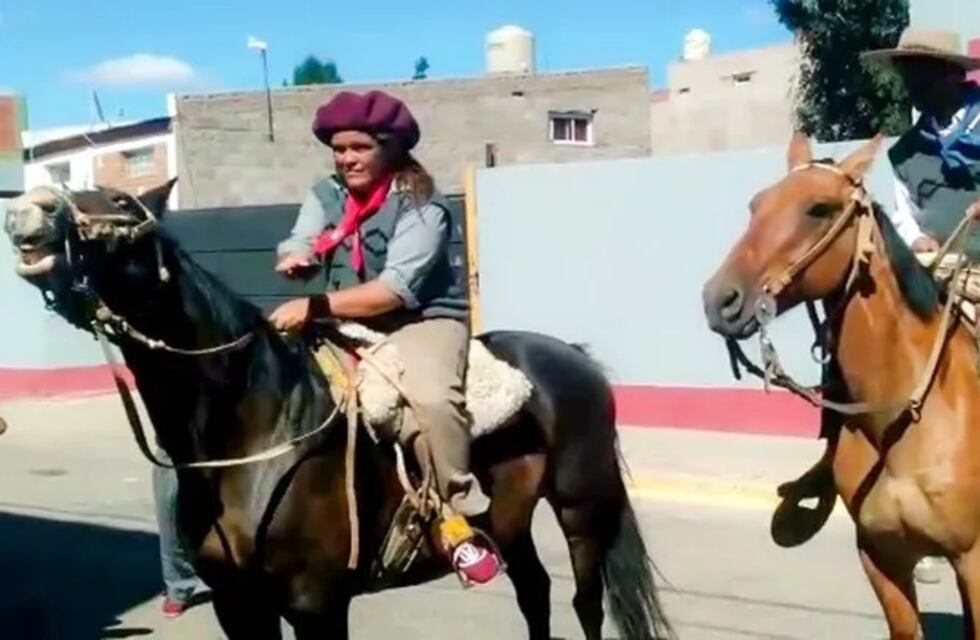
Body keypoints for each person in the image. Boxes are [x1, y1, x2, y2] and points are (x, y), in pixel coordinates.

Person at [269, 90, 502, 585]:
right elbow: (303, 236)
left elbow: (393, 292)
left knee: (430, 400)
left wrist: (313, 305)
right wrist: (296, 256)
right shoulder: (326, 193)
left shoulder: (421, 203)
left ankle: (461, 514)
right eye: (339, 149)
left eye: (360, 147)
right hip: (341, 320)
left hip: (419, 321)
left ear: (391, 149)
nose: (347, 158)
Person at [777, 28, 980, 580]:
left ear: (951, 75)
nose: (911, 83)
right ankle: (838, 461)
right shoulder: (907, 151)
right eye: (906, 72)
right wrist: (918, 241)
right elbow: (907, 212)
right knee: (857, 341)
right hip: (941, 265)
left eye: (921, 72)